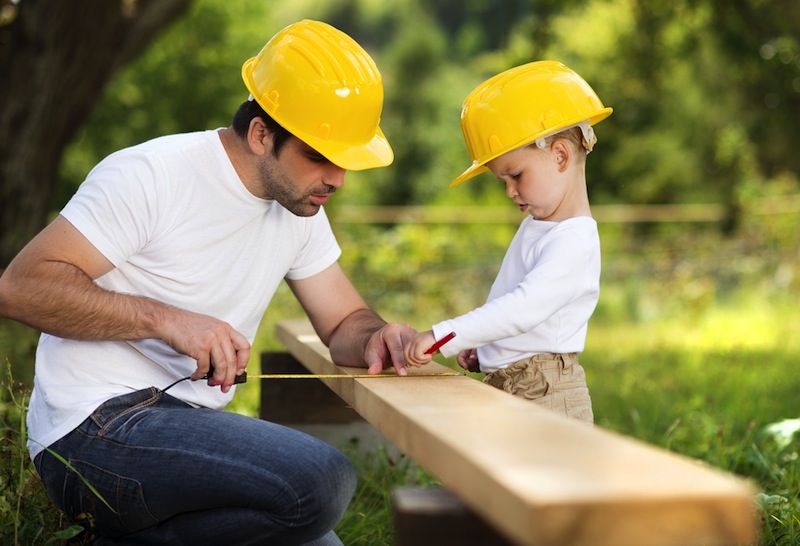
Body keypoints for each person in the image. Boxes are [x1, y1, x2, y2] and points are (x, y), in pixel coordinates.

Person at [0, 19, 416, 545]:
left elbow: (344, 323)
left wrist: (379, 337)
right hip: (93, 430)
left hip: (185, 431)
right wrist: (166, 321)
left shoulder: (301, 206)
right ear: (262, 133)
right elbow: (19, 287)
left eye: (347, 162)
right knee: (321, 480)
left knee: (319, 536)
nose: (337, 179)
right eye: (319, 156)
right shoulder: (151, 174)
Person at [404, 61, 612, 423]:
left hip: (547, 393)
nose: (510, 191)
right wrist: (487, 350)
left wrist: (443, 337)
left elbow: (523, 308)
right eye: (503, 180)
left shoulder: (574, 240)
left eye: (515, 175)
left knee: (548, 481)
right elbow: (517, 314)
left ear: (560, 155)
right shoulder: (539, 225)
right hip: (515, 384)